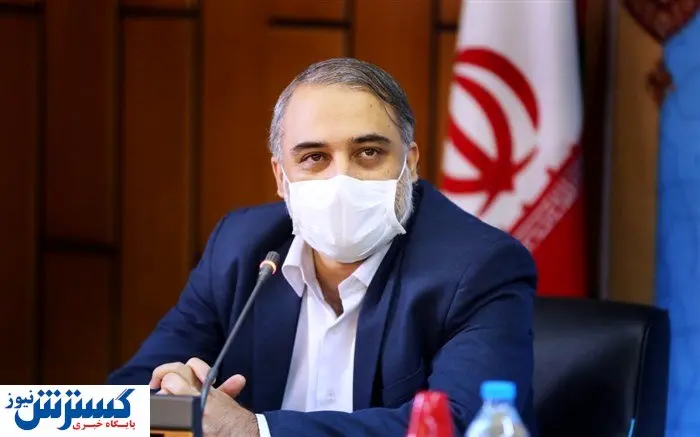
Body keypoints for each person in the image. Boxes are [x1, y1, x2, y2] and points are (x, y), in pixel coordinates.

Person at [108, 58, 538, 437]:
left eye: (368, 152)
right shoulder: (240, 249)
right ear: (281, 177)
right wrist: (174, 402)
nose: (341, 179)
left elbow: (466, 425)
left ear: (409, 164)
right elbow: (114, 405)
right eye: (314, 157)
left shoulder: (479, 266)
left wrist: (253, 431)